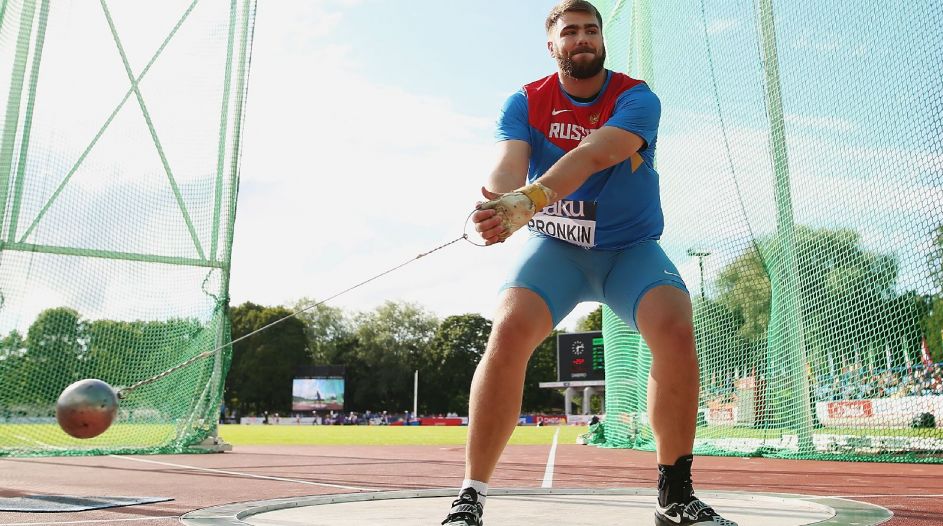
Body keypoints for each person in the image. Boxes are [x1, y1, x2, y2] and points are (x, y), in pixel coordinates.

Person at [440, 2, 737, 525]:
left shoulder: (636, 97)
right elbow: (508, 164)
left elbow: (595, 153)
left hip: (630, 249)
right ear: (552, 45)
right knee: (508, 330)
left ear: (602, 40)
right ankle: (470, 497)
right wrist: (498, 202)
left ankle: (674, 494)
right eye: (571, 31)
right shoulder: (525, 101)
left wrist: (530, 199)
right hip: (556, 247)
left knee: (674, 326)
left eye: (591, 30)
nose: (583, 38)